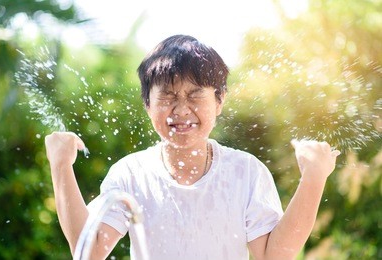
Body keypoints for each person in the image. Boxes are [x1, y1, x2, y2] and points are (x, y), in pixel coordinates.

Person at [45, 35, 340, 260]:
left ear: (219, 101)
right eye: (168, 96)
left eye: (195, 95)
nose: (181, 110)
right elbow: (89, 252)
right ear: (148, 104)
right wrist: (60, 166)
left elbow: (274, 255)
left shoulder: (245, 172)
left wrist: (313, 179)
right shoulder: (131, 173)